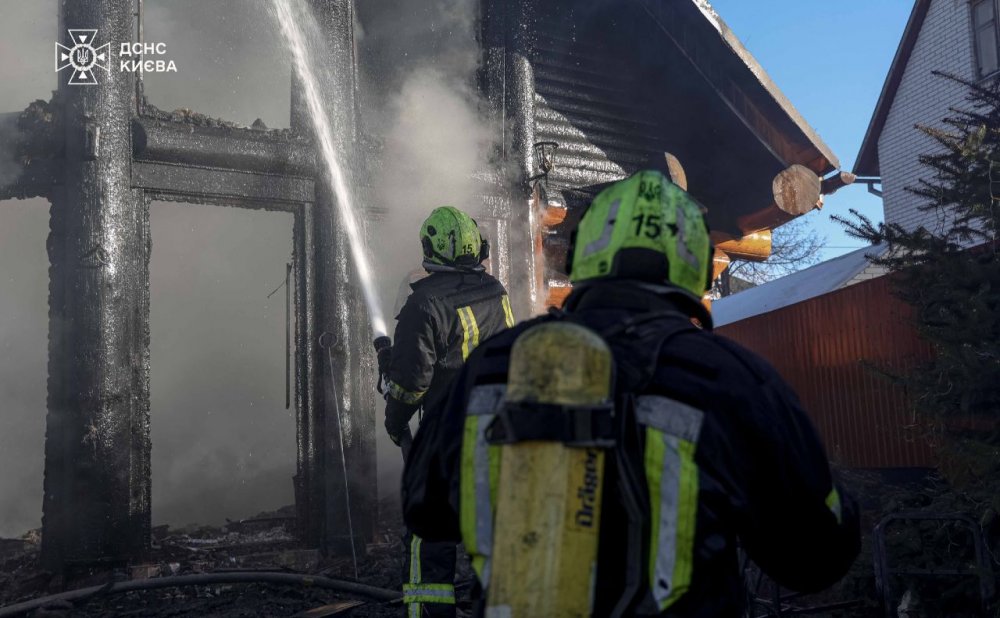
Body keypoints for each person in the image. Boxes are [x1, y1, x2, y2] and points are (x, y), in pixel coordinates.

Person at [401, 171, 860, 617]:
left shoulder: (494, 367)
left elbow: (424, 510)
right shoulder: (734, 380)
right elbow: (817, 558)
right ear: (698, 268)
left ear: (580, 258)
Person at [378, 205, 515, 618]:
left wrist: (395, 420)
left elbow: (409, 385)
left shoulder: (424, 304)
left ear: (431, 246)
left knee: (429, 538)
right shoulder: (496, 291)